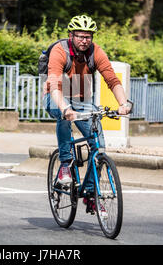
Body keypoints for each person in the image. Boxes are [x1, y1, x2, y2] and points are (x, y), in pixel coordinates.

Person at [43, 15, 132, 213]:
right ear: (71, 35)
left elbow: (112, 79)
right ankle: (65, 163)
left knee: (98, 146)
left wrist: (123, 103)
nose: (85, 40)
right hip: (56, 96)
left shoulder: (95, 52)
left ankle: (91, 192)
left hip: (83, 101)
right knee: (62, 115)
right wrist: (66, 109)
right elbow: (55, 85)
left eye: (88, 36)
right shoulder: (60, 51)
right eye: (81, 36)